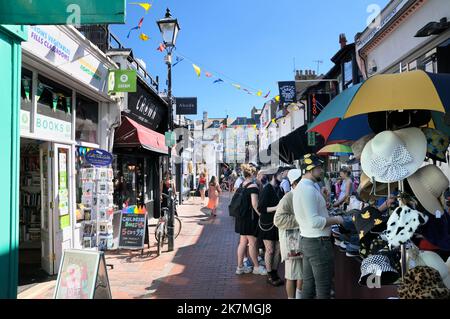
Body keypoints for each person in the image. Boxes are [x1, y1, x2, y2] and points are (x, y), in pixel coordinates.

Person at [293, 154, 344, 299]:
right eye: (319, 168)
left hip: (309, 240)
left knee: (309, 286)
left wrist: (324, 199)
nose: (321, 170)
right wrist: (337, 219)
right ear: (310, 170)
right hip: (318, 243)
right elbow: (314, 222)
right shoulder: (308, 189)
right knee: (323, 289)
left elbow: (311, 215)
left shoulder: (305, 187)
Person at [274, 169, 304, 299]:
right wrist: (300, 219)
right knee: (292, 275)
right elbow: (278, 220)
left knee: (301, 274)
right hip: (291, 241)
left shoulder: (299, 196)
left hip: (299, 240)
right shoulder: (288, 198)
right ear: (294, 183)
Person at [234, 164, 267, 276]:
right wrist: (261, 215)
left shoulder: (242, 185)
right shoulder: (253, 186)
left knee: (242, 242)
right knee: (252, 243)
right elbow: (254, 204)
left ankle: (240, 267)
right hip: (250, 219)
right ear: (252, 174)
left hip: (241, 218)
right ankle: (256, 267)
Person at [258, 167, 285, 286]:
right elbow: (261, 208)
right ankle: (269, 275)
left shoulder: (279, 188)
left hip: (278, 223)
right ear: (274, 175)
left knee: (278, 250)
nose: (283, 176)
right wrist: (276, 208)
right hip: (267, 224)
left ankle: (274, 272)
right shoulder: (267, 189)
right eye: (281, 174)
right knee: (270, 250)